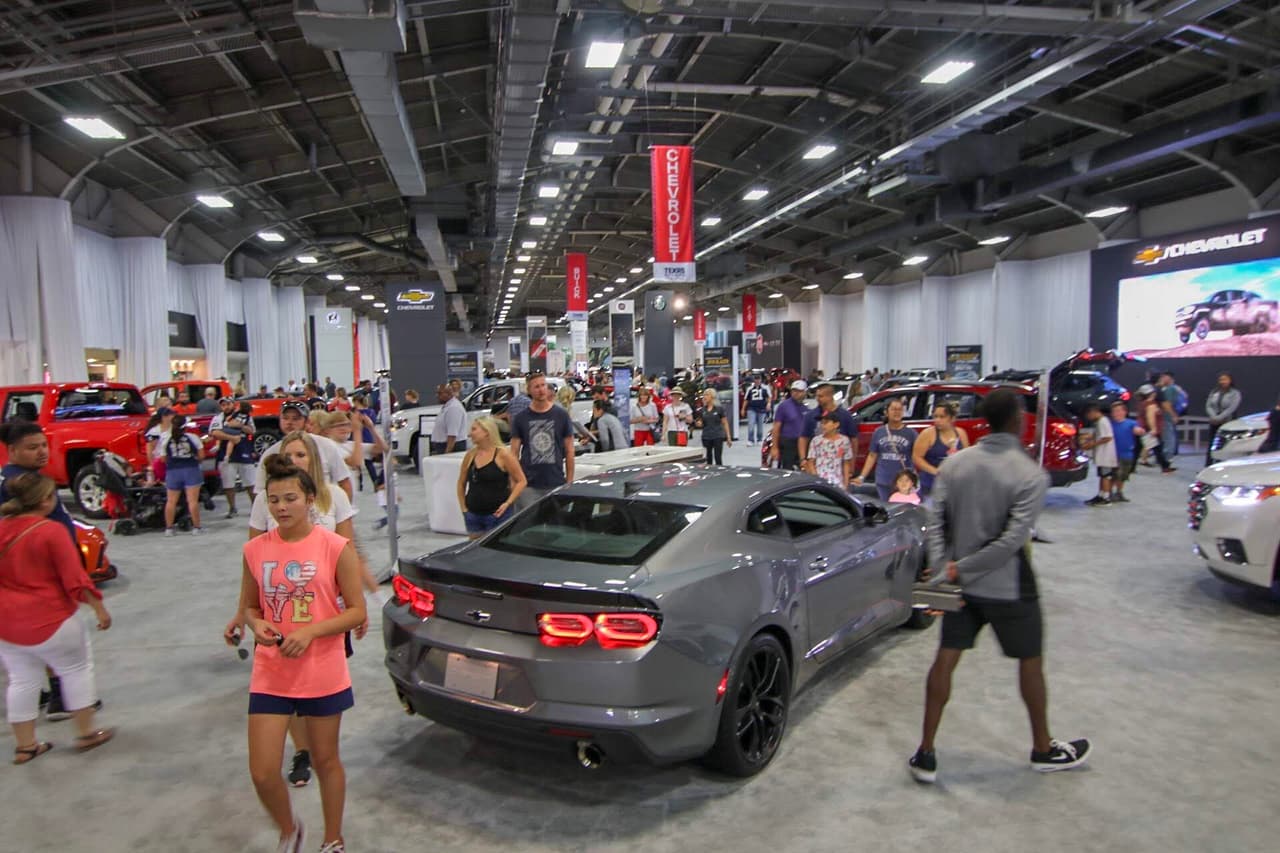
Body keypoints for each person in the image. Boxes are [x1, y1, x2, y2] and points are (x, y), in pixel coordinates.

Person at [909, 389, 1090, 784]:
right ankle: (1043, 749)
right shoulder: (1030, 474)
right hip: (1009, 585)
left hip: (962, 587)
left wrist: (945, 568)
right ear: (1016, 421)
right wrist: (959, 569)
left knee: (945, 658)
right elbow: (1011, 542)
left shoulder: (955, 464)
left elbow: (934, 517)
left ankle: (926, 752)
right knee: (1031, 662)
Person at [226, 455, 366, 853]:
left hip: (322, 668)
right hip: (273, 670)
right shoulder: (255, 550)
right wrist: (255, 624)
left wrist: (310, 632)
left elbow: (356, 611)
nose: (281, 507)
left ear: (310, 500)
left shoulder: (336, 548)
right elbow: (251, 607)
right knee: (263, 771)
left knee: (326, 761)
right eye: (273, 500)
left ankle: (333, 839)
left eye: (290, 498)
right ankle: (289, 828)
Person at [0, 473, 114, 764]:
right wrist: (98, 607)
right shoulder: (51, 531)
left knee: (22, 681)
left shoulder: (2, 528)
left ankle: (26, 746)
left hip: (8, 624)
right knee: (75, 670)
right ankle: (86, 733)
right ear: (44, 500)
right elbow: (75, 579)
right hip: (52, 618)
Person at [0, 422, 86, 723]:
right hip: (39, 581)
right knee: (59, 643)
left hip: (33, 581)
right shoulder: (15, 485)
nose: (41, 452)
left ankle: (45, 696)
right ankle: (63, 699)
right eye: (32, 447)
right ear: (12, 451)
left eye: (43, 445)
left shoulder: (29, 479)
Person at [255, 401, 354, 501]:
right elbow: (260, 493)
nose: (290, 422)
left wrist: (344, 513)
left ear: (307, 422)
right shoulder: (270, 453)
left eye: (296, 418)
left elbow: (344, 482)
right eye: (285, 418)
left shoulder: (326, 445)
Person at [509, 374, 575, 511]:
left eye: (543, 385)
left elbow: (569, 450)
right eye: (536, 386)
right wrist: (513, 482)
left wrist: (570, 482)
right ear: (529, 390)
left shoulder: (561, 415)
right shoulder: (521, 418)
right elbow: (513, 454)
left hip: (556, 481)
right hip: (528, 485)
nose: (541, 389)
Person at [456, 417, 526, 539]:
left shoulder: (503, 455)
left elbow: (521, 481)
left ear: (486, 432)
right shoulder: (470, 455)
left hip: (498, 514)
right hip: (473, 513)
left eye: (474, 429)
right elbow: (461, 483)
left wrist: (508, 503)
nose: (470, 433)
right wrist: (464, 508)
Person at [853, 398, 916, 501]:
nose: (897, 412)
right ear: (886, 412)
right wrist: (861, 477)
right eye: (893, 409)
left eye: (900, 409)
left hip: (903, 482)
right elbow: (872, 456)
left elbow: (917, 457)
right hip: (883, 479)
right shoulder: (879, 432)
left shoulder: (911, 434)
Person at [912, 402, 970, 500]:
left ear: (952, 418)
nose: (937, 420)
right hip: (931, 484)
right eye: (935, 416)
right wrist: (935, 471)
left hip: (953, 484)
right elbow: (916, 457)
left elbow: (967, 457)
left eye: (942, 417)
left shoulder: (960, 433)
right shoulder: (928, 434)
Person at [160, 413, 205, 535]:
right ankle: (197, 527)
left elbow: (163, 458)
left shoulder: (165, 438)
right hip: (191, 469)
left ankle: (169, 528)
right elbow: (201, 456)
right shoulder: (193, 437)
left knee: (171, 501)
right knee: (192, 501)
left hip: (173, 471)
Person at [211, 398, 256, 518]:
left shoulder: (245, 416)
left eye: (228, 404)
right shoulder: (218, 418)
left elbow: (252, 431)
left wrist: (240, 425)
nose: (226, 407)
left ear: (233, 405)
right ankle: (232, 508)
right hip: (226, 454)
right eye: (223, 405)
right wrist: (231, 437)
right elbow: (215, 433)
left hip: (244, 450)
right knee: (228, 484)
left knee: (250, 482)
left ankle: (255, 508)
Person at [799, 383, 857, 461]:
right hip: (817, 462)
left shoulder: (845, 416)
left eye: (821, 396)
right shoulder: (810, 416)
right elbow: (803, 438)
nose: (817, 398)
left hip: (839, 461)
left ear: (830, 396)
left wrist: (852, 462)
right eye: (817, 396)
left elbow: (853, 439)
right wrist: (803, 459)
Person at [803, 412, 853, 489]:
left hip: (837, 480)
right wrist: (816, 479)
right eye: (822, 423)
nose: (823, 425)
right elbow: (811, 462)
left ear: (836, 424)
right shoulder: (816, 440)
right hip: (821, 478)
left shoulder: (844, 441)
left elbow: (846, 463)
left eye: (826, 423)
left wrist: (846, 483)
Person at [1080, 404, 1116, 507]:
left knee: (1105, 476)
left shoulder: (1103, 421)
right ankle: (1101, 494)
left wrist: (1092, 444)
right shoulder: (1099, 422)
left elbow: (1107, 437)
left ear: (1093, 412)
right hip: (1102, 455)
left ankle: (1106, 497)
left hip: (1106, 454)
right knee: (1102, 475)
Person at [769, 380, 810, 470]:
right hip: (788, 444)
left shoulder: (806, 408)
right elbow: (776, 428)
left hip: (802, 444)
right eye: (794, 391)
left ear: (804, 392)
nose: (796, 393)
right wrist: (774, 447)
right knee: (788, 470)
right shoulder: (784, 406)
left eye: (799, 391)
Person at [1108, 401, 1142, 502]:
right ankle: (1109, 492)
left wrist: (1139, 431)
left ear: (1124, 412)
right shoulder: (1110, 424)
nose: (1117, 413)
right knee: (1113, 475)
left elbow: (1137, 429)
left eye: (1119, 411)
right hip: (1113, 454)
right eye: (1115, 411)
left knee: (1123, 475)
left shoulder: (1131, 423)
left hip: (1127, 454)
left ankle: (1119, 492)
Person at [1205, 373, 1242, 466]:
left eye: (1225, 379)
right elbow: (1208, 405)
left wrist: (1220, 417)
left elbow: (1232, 408)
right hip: (1214, 422)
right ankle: (1208, 466)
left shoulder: (1235, 393)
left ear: (1230, 380)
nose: (1223, 381)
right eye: (1221, 379)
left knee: (1224, 445)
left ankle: (1221, 465)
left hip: (1227, 421)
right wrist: (1214, 417)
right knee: (1211, 444)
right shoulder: (1214, 392)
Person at [1139, 384, 1175, 473]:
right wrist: (1153, 429)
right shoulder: (1151, 404)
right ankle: (1165, 467)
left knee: (1141, 447)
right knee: (1157, 449)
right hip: (1150, 430)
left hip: (1144, 429)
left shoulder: (1144, 403)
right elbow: (1150, 417)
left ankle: (1164, 466)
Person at [696, 389, 732, 465]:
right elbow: (701, 422)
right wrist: (699, 423)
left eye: (707, 395)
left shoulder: (719, 409)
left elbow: (725, 423)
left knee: (718, 457)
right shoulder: (702, 410)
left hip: (717, 435)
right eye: (704, 395)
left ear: (712, 396)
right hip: (706, 436)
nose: (704, 397)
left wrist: (728, 437)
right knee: (708, 458)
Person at [430, 384, 467, 455]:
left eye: (439, 393)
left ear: (449, 394)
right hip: (444, 445)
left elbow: (452, 434)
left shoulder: (453, 408)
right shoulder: (448, 406)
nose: (437, 396)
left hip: (451, 446)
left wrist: (447, 454)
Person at [741, 374, 771, 447]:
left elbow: (769, 397)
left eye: (758, 379)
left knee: (760, 425)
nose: (757, 381)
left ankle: (759, 439)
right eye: (756, 379)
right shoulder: (750, 388)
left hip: (761, 408)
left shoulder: (765, 388)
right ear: (754, 380)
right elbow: (746, 399)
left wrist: (768, 404)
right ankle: (750, 440)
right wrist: (743, 409)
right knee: (751, 424)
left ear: (761, 380)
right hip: (751, 408)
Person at [1156, 373, 1180, 457]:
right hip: (1167, 415)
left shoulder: (1170, 389)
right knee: (1167, 435)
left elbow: (1167, 403)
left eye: (1164, 377)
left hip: (1167, 415)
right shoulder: (1168, 388)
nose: (1162, 378)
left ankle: (1167, 455)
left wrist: (1173, 415)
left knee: (1168, 435)